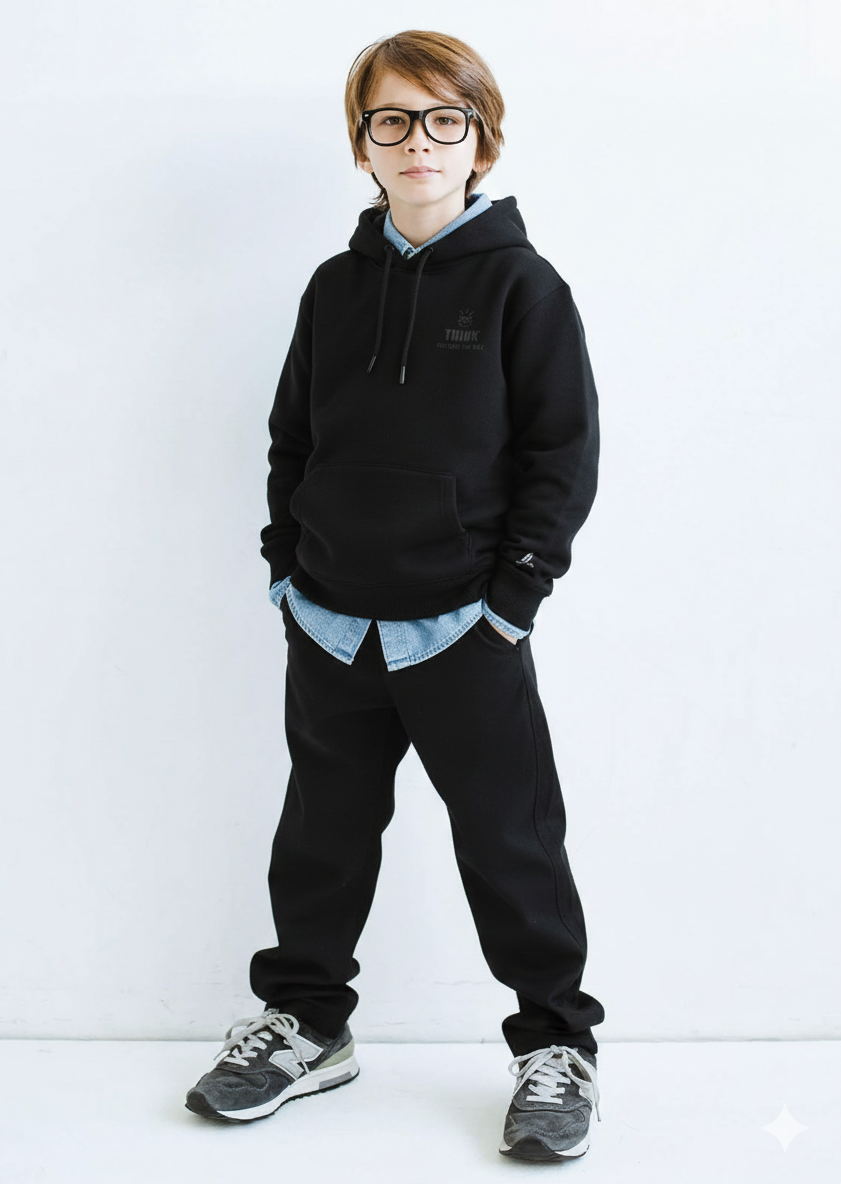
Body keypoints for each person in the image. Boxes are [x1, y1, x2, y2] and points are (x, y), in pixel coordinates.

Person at [186, 28, 605, 1163]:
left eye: (442, 119)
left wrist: (510, 602)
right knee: (320, 836)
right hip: (330, 621)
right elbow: (292, 438)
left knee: (511, 844)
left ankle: (556, 1046)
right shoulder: (334, 289)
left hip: (464, 627)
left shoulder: (524, 287)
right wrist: (288, 568)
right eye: (391, 120)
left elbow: (562, 459)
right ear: (362, 143)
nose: (418, 141)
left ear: (481, 140)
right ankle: (307, 1024)